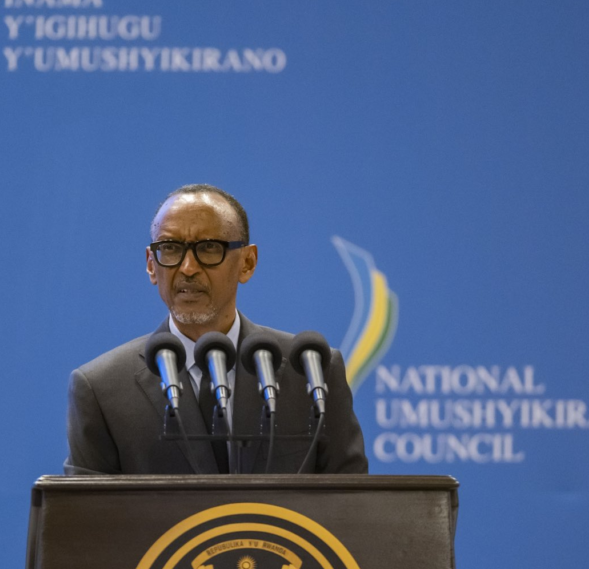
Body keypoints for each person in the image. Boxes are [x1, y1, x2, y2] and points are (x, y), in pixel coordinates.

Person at [64, 183, 368, 475]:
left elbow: (353, 500)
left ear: (247, 263)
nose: (188, 268)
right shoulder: (102, 389)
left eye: (209, 248)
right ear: (151, 265)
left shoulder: (311, 372)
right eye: (170, 248)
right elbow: (85, 509)